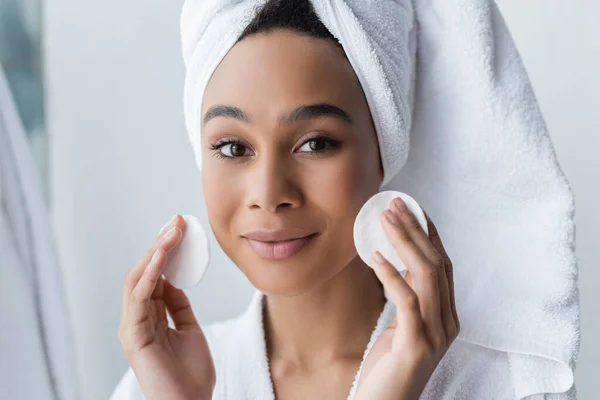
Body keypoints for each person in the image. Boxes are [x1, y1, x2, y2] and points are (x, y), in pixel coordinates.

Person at [111, 0, 578, 399]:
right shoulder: (156, 383)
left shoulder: (505, 388)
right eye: (234, 148)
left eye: (315, 143)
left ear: (385, 150)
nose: (270, 195)